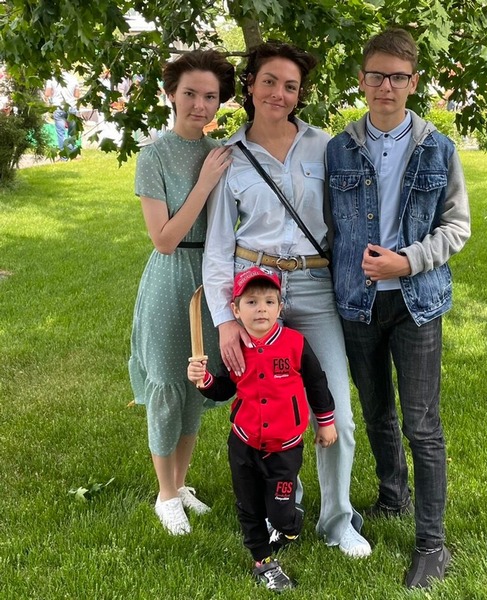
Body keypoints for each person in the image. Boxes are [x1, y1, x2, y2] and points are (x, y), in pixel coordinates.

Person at [203, 41, 371, 558]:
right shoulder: (228, 157)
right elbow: (218, 246)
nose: (279, 93)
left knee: (336, 412)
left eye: (291, 86)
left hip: (315, 286)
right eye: (270, 81)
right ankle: (282, 506)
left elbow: (348, 219)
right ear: (250, 85)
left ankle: (337, 521)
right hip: (255, 293)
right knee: (268, 405)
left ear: (300, 94)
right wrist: (225, 320)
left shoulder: (326, 147)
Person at [326, 28, 471, 589]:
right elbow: (329, 227)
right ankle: (393, 496)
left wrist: (406, 262)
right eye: (376, 75)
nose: (386, 86)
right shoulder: (338, 148)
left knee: (422, 424)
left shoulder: (438, 148)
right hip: (357, 303)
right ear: (362, 81)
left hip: (417, 302)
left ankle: (432, 544)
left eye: (398, 77)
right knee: (376, 413)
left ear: (414, 82)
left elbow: (456, 227)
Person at [128, 49, 235, 536]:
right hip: (171, 276)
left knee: (197, 382)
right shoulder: (153, 155)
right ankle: (165, 494)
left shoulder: (220, 151)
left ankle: (181, 482)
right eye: (190, 93)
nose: (200, 105)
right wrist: (205, 182)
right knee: (169, 384)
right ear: (171, 93)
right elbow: (164, 239)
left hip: (211, 277)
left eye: (210, 96)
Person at [188, 267, 337, 592]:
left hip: (284, 449)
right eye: (252, 302)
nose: (261, 309)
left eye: (269, 302)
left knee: (281, 514)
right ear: (236, 309)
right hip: (243, 444)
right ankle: (263, 562)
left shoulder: (295, 344)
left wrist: (326, 422)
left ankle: (289, 525)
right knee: (249, 507)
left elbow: (316, 383)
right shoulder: (235, 349)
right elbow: (224, 388)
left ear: (280, 308)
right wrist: (205, 380)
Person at [44, 71, 80, 157]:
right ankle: (73, 153)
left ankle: (64, 155)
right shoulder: (73, 78)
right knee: (72, 132)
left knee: (61, 133)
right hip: (72, 107)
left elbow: (47, 93)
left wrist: (53, 95)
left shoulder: (51, 79)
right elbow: (77, 95)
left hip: (58, 107)